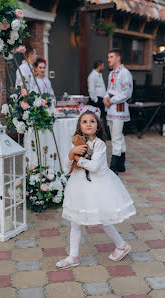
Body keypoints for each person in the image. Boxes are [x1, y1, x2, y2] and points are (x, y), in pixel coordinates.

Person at [56, 109, 136, 269]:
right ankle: (73, 257)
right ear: (79, 126)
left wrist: (78, 159)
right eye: (84, 122)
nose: (88, 124)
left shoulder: (99, 144)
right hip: (80, 187)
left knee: (104, 219)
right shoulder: (76, 143)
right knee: (75, 222)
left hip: (98, 186)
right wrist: (72, 153)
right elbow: (66, 165)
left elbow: (94, 167)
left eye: (92, 121)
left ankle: (121, 245)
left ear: (98, 126)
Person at [103, 49, 133, 174]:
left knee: (115, 137)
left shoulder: (125, 73)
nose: (109, 59)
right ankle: (121, 164)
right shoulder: (112, 74)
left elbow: (127, 93)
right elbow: (109, 89)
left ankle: (114, 166)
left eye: (111, 57)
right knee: (118, 136)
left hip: (119, 109)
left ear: (118, 58)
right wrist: (105, 97)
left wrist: (112, 100)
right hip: (110, 109)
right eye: (108, 57)